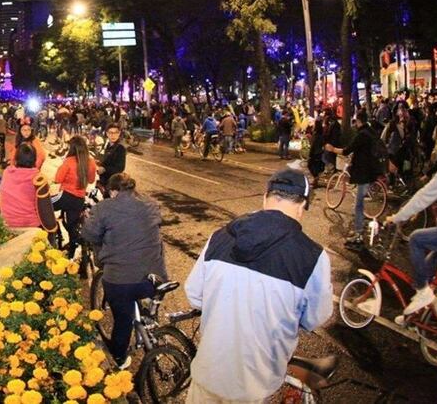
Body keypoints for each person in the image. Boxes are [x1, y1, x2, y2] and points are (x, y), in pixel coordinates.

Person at [184, 169, 333, 403]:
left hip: (208, 375)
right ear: (302, 205)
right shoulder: (312, 257)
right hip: (257, 385)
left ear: (265, 198)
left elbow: (194, 295)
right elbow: (315, 317)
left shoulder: (219, 237)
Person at [81, 173, 166, 369]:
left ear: (112, 191)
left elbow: (89, 234)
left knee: (122, 319)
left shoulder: (104, 208)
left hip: (121, 280)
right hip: (156, 276)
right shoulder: (151, 204)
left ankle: (119, 358)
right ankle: (152, 324)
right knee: (146, 293)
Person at [385, 118, 437, 318]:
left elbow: (427, 194)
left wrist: (398, 217)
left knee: (416, 239)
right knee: (429, 267)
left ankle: (423, 293)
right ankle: (415, 317)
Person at [325, 110, 381, 246]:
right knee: (359, 202)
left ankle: (358, 234)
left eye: (356, 121)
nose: (355, 124)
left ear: (359, 121)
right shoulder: (371, 132)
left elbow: (346, 150)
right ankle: (359, 232)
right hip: (372, 171)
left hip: (363, 173)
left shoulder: (361, 135)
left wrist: (332, 149)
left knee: (359, 205)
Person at [54, 136, 97, 256]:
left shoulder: (69, 161)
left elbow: (57, 179)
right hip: (79, 199)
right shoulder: (91, 162)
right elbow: (91, 179)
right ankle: (72, 252)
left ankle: (51, 234)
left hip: (65, 196)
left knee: (43, 205)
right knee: (72, 225)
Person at [0, 144, 45, 228]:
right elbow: (44, 204)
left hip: (7, 220)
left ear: (16, 158)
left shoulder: (7, 172)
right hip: (29, 222)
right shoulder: (37, 177)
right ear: (34, 159)